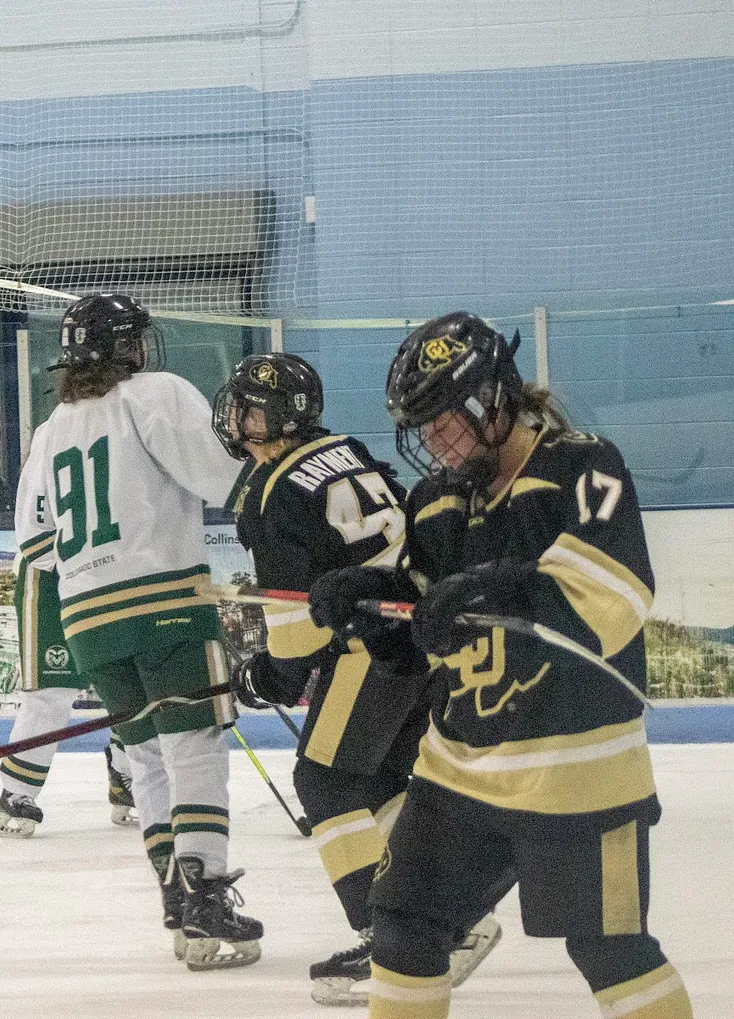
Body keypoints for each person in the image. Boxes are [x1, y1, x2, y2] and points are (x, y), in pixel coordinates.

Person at [312, 312, 693, 1019]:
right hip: (458, 773)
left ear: (495, 400)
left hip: (578, 773)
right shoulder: (435, 501)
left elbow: (612, 599)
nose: (436, 442)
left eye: (446, 420)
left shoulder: (582, 465)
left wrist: (502, 584)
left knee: (612, 951)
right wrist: (373, 605)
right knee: (401, 932)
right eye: (422, 428)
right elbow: (429, 625)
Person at [214, 353, 501, 1005]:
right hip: (417, 633)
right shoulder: (344, 449)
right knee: (376, 780)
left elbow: (296, 626)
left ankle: (393, 938)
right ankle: (449, 919)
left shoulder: (271, 491)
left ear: (273, 417)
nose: (236, 417)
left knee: (326, 777)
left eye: (248, 407)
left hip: (367, 643)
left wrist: (270, 675)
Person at [14, 292, 261, 970]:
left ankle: (177, 902)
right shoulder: (156, 394)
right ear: (130, 347)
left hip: (89, 621)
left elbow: (34, 544)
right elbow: (224, 477)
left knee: (147, 758)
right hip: (167, 607)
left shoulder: (50, 430)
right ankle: (206, 893)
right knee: (194, 747)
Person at [0, 560, 136, 837]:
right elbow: (34, 531)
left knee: (126, 681)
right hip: (49, 578)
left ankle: (126, 777)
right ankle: (17, 791)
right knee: (51, 691)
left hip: (109, 572)